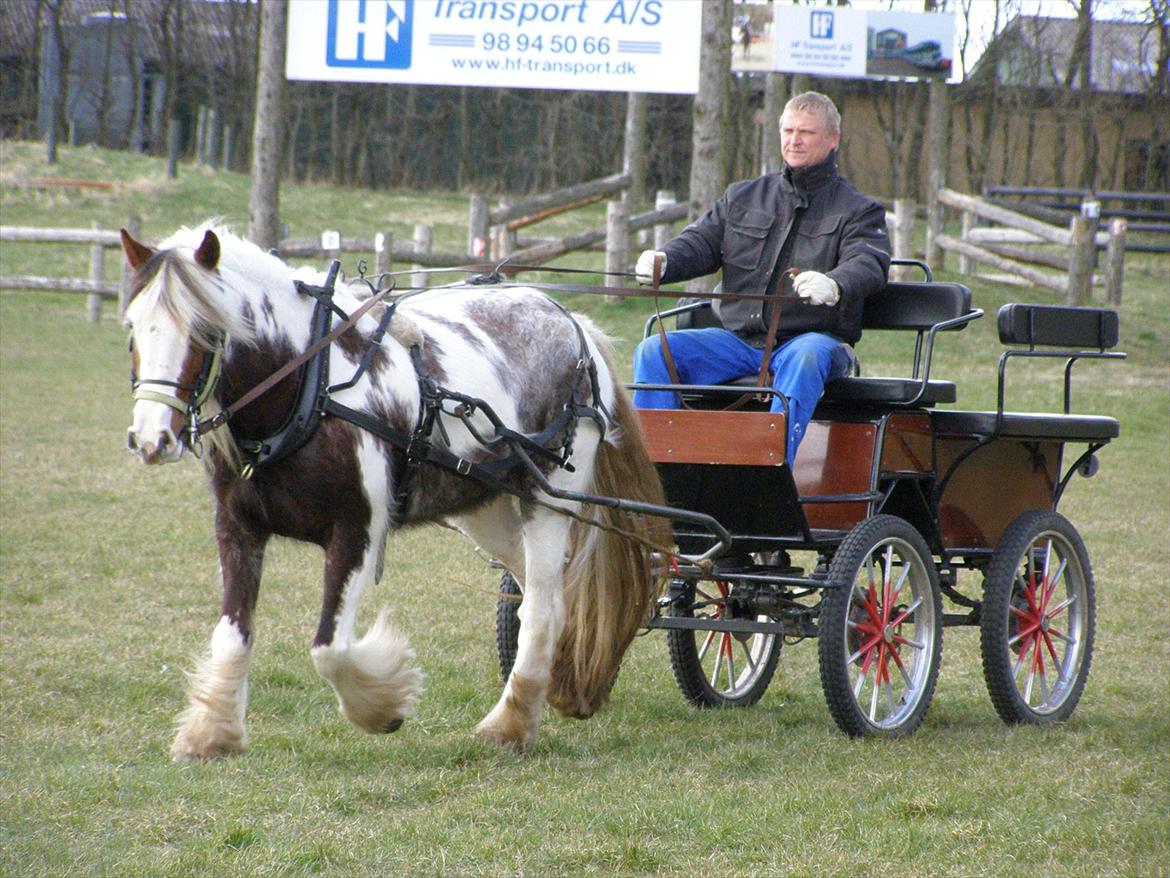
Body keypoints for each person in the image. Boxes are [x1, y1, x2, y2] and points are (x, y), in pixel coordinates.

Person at [631, 91, 891, 466]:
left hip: (813, 342)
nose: (794, 139)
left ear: (833, 139)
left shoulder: (858, 209)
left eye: (806, 132)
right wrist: (664, 261)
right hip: (736, 342)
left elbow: (868, 261)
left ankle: (766, 471)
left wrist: (835, 283)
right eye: (788, 130)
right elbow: (702, 242)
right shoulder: (743, 196)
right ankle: (655, 470)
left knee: (804, 357)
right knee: (655, 350)